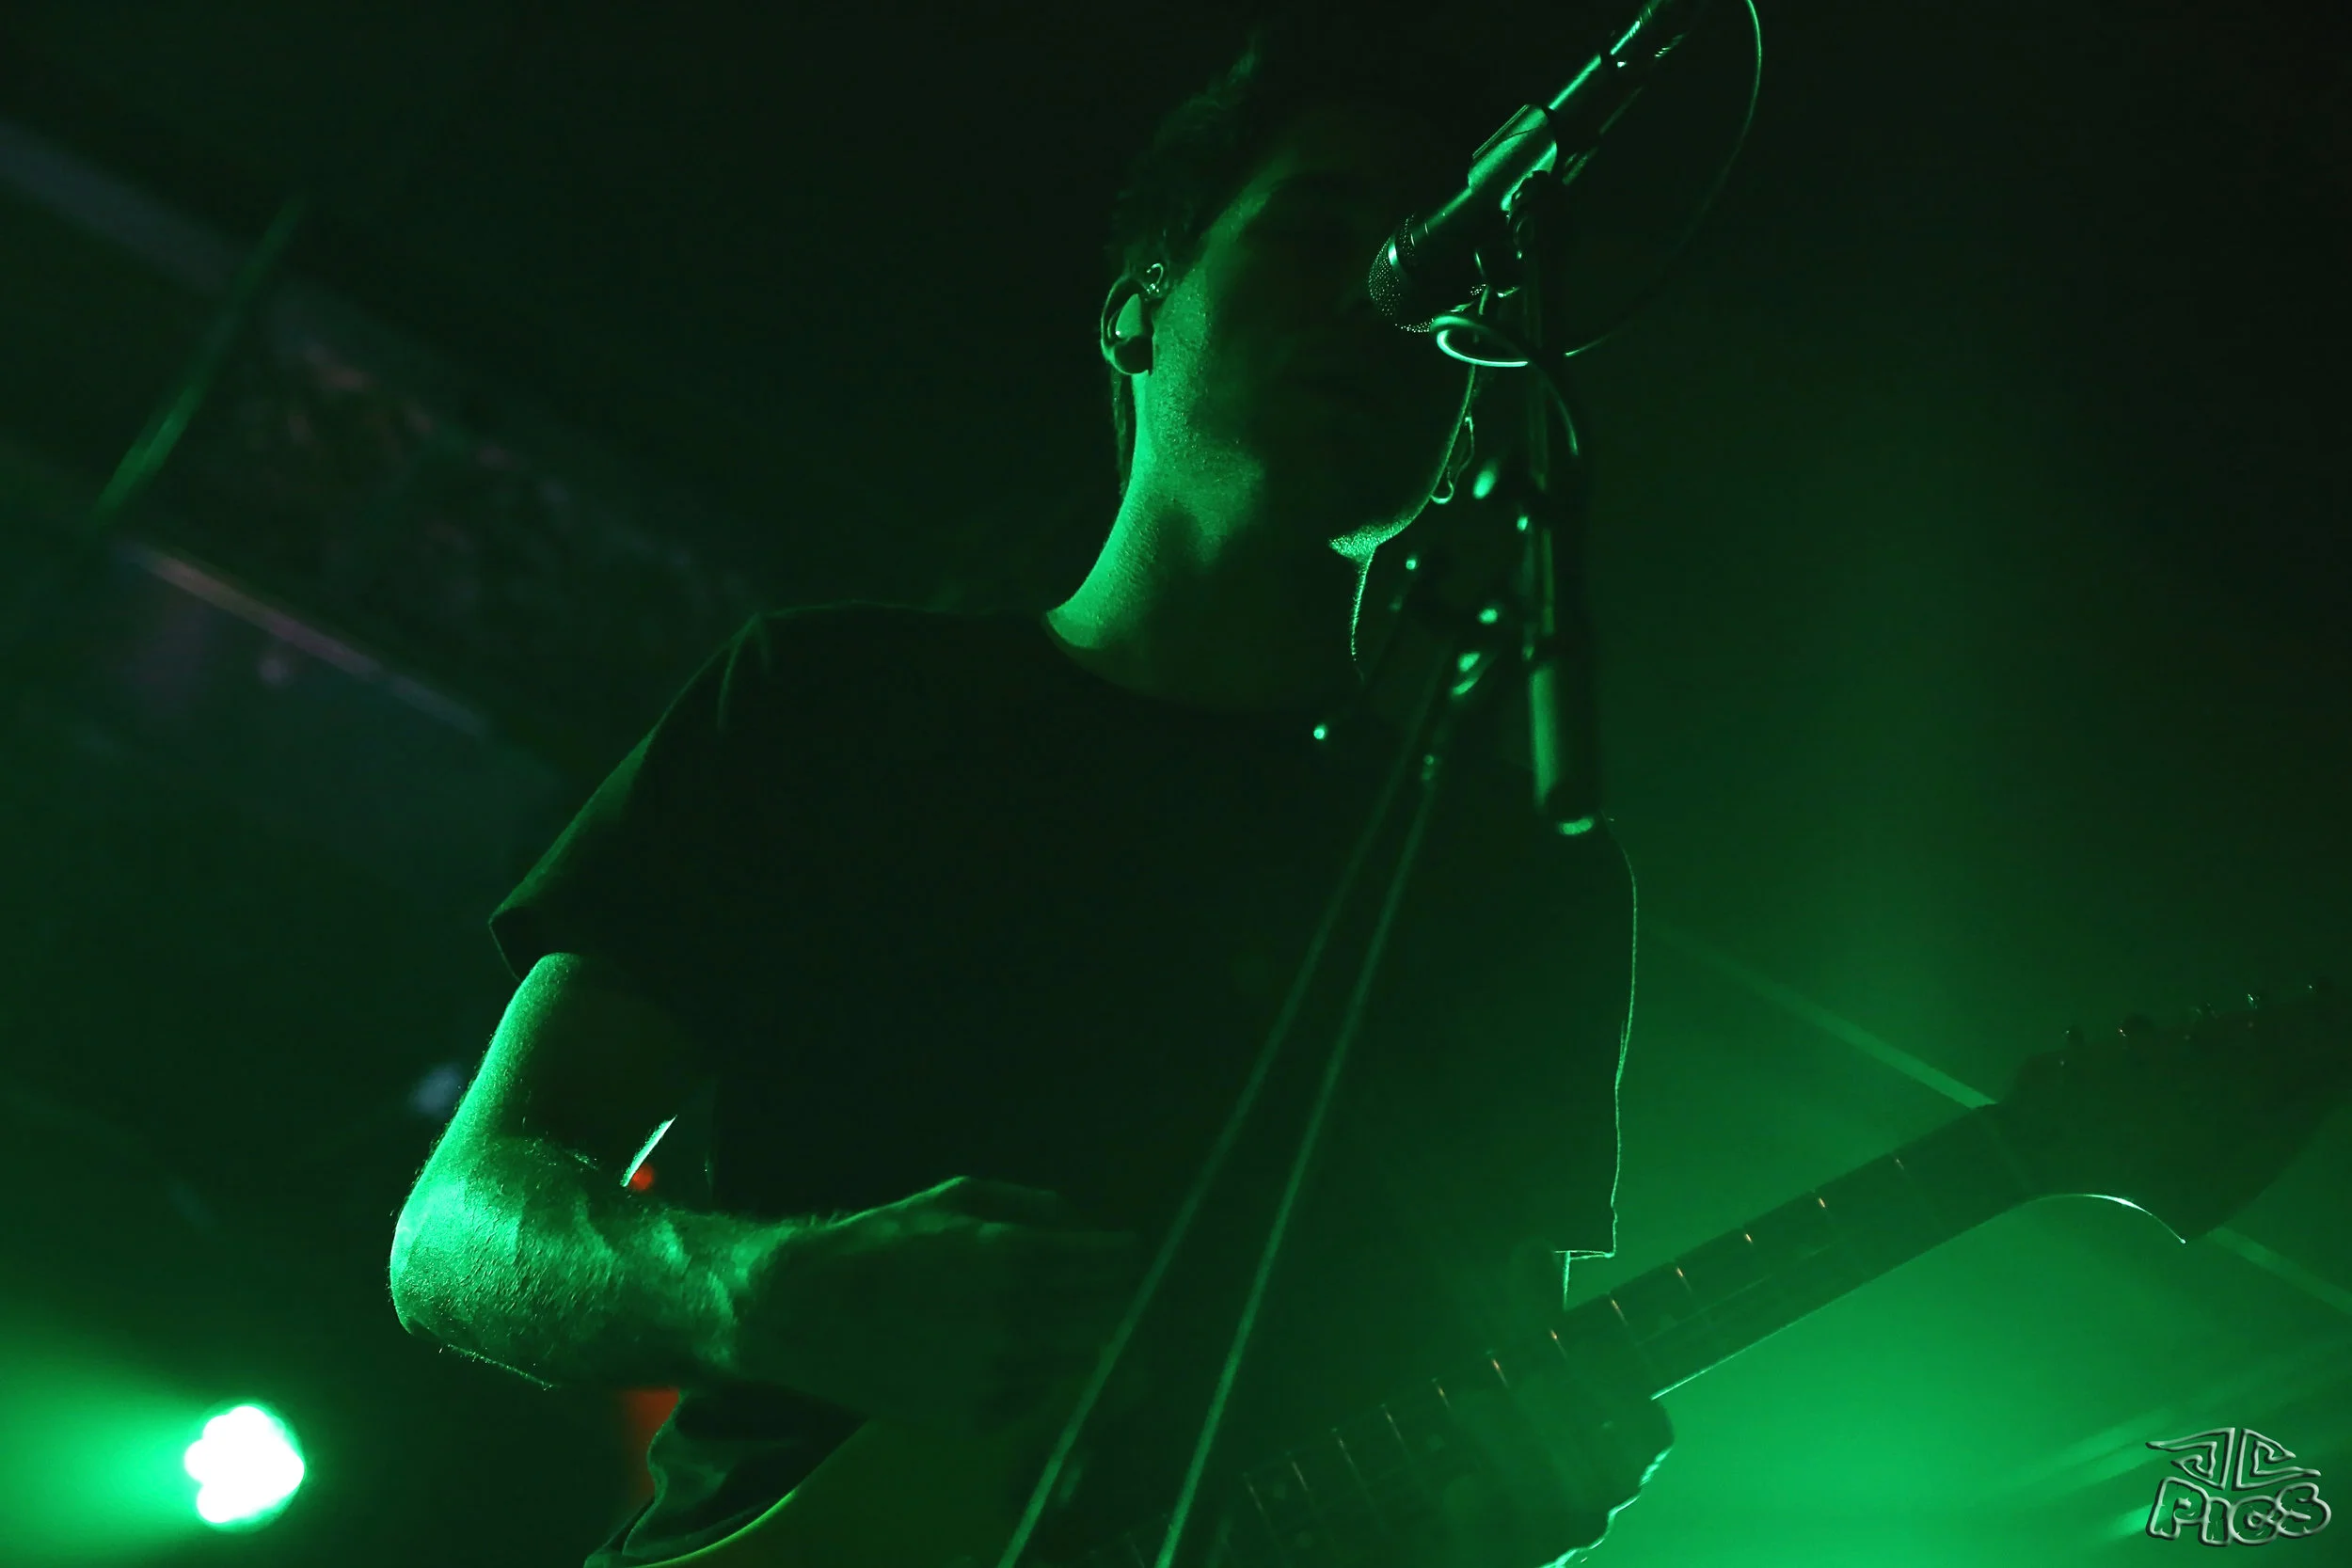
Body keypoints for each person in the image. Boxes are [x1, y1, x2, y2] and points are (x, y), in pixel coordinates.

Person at [388, 14, 1670, 1567]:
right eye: (1319, 235)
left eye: (1443, 281)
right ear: (1137, 309)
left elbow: (1481, 1415)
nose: (1386, 299)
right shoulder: (825, 702)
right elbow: (456, 1235)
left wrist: (1519, 1523)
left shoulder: (1520, 877)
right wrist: (764, 1291)